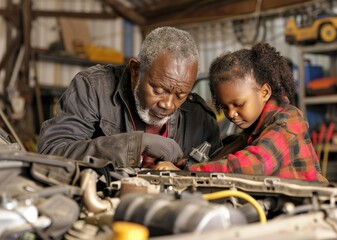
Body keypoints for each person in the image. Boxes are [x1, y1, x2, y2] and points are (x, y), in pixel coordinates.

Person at [38, 26, 222, 171]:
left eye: (180, 95)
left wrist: (184, 170)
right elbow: (52, 152)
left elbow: (217, 172)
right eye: (158, 90)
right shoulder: (94, 88)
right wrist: (135, 145)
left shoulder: (200, 118)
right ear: (135, 70)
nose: (168, 104)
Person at [156, 42, 327, 182]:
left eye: (238, 104)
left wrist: (185, 172)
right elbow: (225, 156)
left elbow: (253, 165)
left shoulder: (288, 123)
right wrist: (184, 165)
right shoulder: (253, 130)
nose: (231, 114)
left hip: (303, 210)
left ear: (264, 93)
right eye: (224, 107)